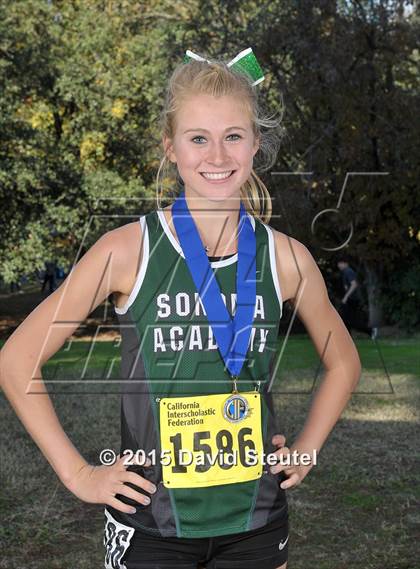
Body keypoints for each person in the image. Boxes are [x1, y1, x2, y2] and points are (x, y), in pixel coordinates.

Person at [0, 48, 362, 569]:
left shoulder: (286, 258)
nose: (217, 155)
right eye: (198, 138)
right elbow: (16, 361)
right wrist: (79, 475)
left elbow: (344, 363)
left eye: (233, 136)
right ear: (171, 147)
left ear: (256, 144)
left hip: (256, 522)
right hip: (150, 523)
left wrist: (305, 450)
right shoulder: (126, 250)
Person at [337, 258, 378, 340]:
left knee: (351, 320)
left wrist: (346, 297)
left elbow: (354, 284)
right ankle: (347, 338)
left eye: (341, 263)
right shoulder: (345, 273)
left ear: (346, 263)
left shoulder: (348, 271)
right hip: (350, 300)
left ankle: (370, 330)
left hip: (352, 300)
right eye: (338, 263)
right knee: (345, 320)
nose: (339, 265)